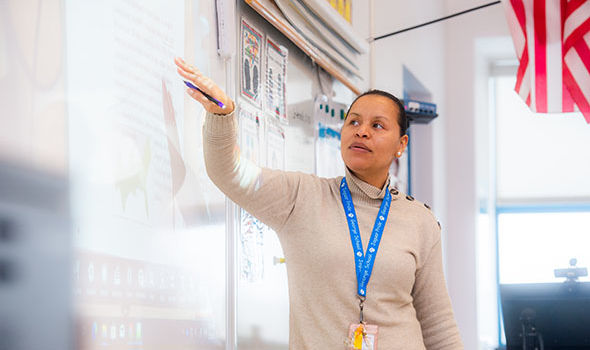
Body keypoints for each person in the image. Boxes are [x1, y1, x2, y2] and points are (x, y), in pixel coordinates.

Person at [174, 57, 463, 350]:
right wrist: (222, 114)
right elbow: (230, 173)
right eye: (354, 121)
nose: (361, 131)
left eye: (377, 125)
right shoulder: (301, 197)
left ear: (401, 144)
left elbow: (438, 324)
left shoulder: (420, 220)